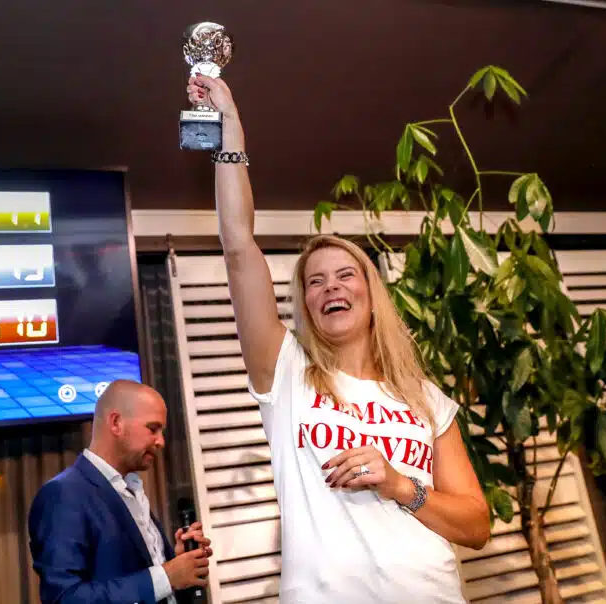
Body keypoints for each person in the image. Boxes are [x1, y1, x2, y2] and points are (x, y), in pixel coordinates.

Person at [185, 75, 491, 603]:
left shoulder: (424, 397)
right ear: (306, 304)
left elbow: (476, 526)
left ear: (371, 294)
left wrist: (399, 485)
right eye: (316, 281)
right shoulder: (286, 374)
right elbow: (238, 247)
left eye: (346, 275)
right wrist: (229, 127)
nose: (331, 287)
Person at [28, 379, 213, 604]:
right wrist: (166, 576)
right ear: (116, 423)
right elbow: (65, 598)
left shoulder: (131, 489)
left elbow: (151, 584)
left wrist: (178, 567)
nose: (161, 441)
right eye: (152, 429)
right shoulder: (62, 495)